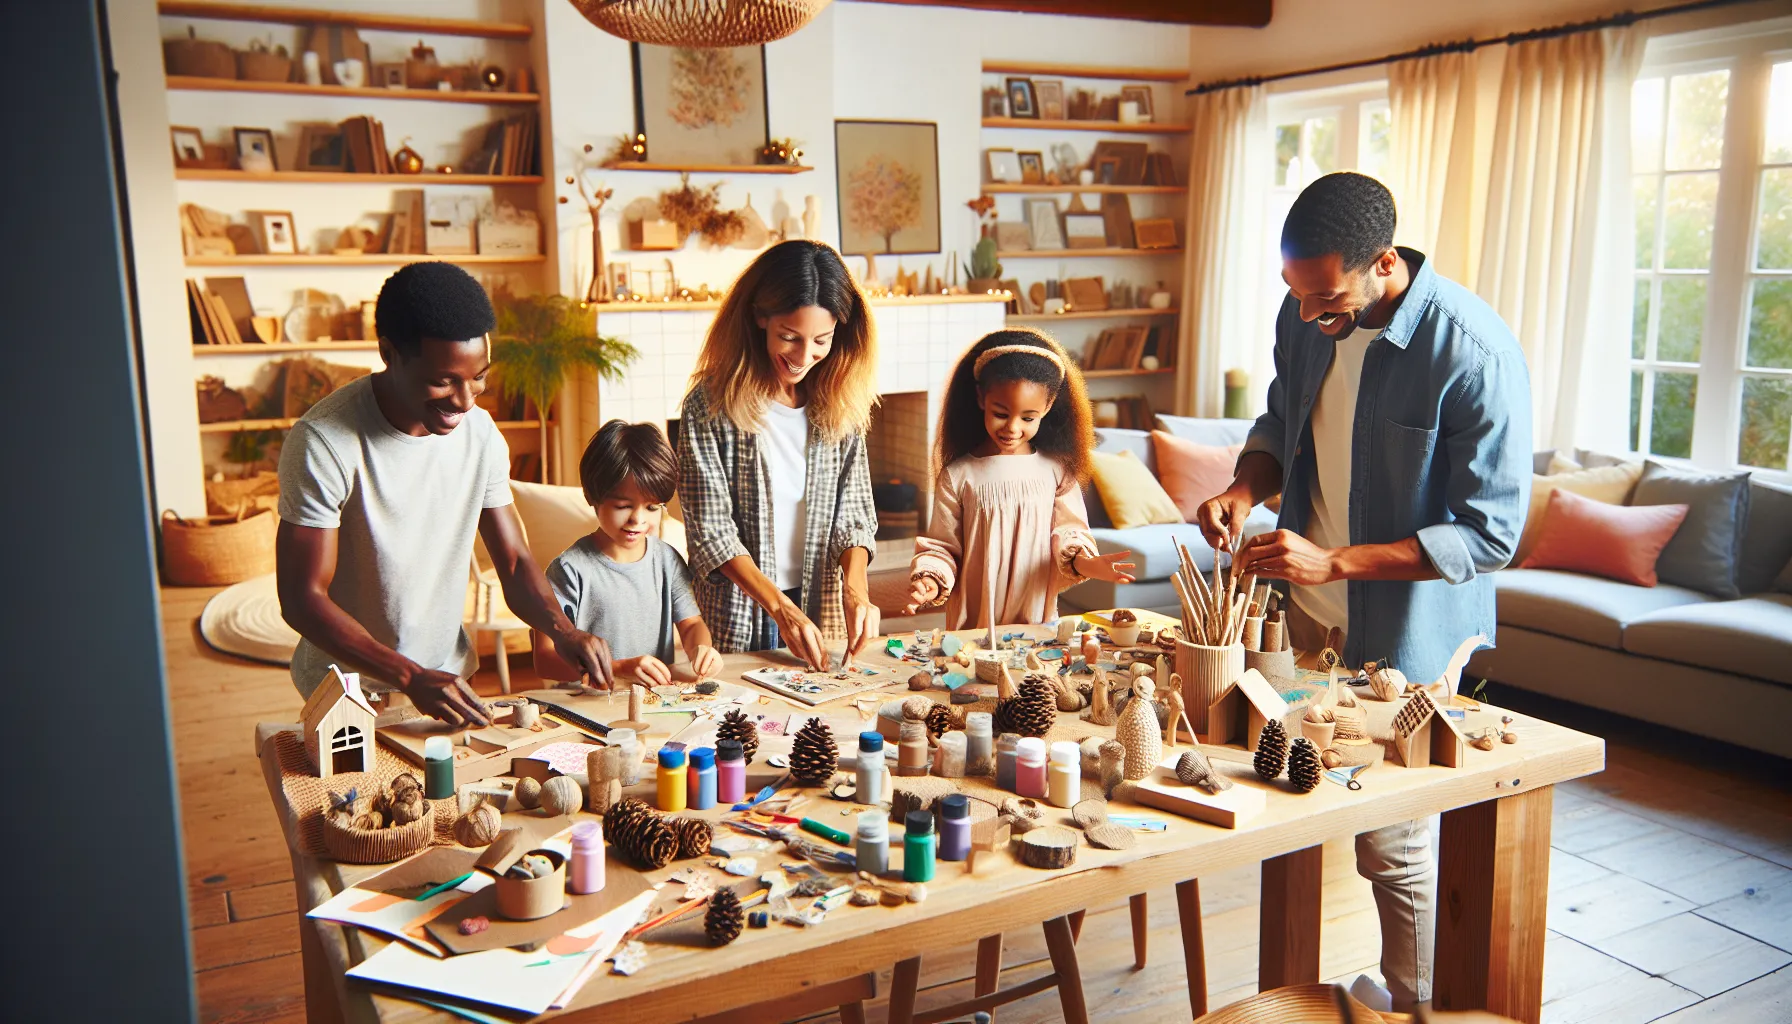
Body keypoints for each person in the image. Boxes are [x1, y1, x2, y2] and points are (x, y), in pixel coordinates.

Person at [1197, 172, 1530, 1011]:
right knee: (1285, 797)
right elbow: (1279, 425)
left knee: (1391, 835)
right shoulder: (1304, 310)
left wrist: (1335, 563)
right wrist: (1244, 489)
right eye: (1297, 294)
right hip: (1304, 618)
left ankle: (1413, 1004)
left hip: (1409, 632)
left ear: (1385, 263)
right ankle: (1294, 991)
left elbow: (1489, 535)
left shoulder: (1472, 351)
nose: (1310, 315)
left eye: (1327, 297)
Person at [277, 262, 613, 726]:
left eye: (478, 377)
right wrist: (408, 676)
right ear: (389, 353)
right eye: (443, 381)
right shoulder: (325, 441)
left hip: (446, 680)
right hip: (349, 691)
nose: (465, 401)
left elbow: (513, 561)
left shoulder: (480, 433)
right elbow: (301, 597)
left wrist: (563, 630)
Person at [678, 240, 881, 669]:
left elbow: (855, 513)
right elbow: (711, 531)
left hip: (820, 600)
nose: (803, 358)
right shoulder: (709, 406)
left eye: (821, 341)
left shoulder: (840, 400)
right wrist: (780, 609)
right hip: (743, 607)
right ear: (759, 318)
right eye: (789, 338)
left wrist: (856, 588)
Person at [903, 329, 1135, 626]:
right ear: (980, 398)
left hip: (1035, 624)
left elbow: (1069, 534)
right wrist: (930, 581)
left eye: (1028, 418)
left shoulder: (1056, 471)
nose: (1012, 428)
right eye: (1001, 413)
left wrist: (1088, 563)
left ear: (1047, 407)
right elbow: (942, 548)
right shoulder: (959, 475)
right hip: (973, 628)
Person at [533, 419, 723, 686]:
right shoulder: (568, 570)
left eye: (652, 507)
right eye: (623, 506)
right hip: (588, 708)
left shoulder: (667, 560)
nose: (638, 519)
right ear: (592, 497)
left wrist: (701, 649)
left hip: (655, 703)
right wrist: (617, 668)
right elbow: (544, 659)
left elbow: (691, 625)